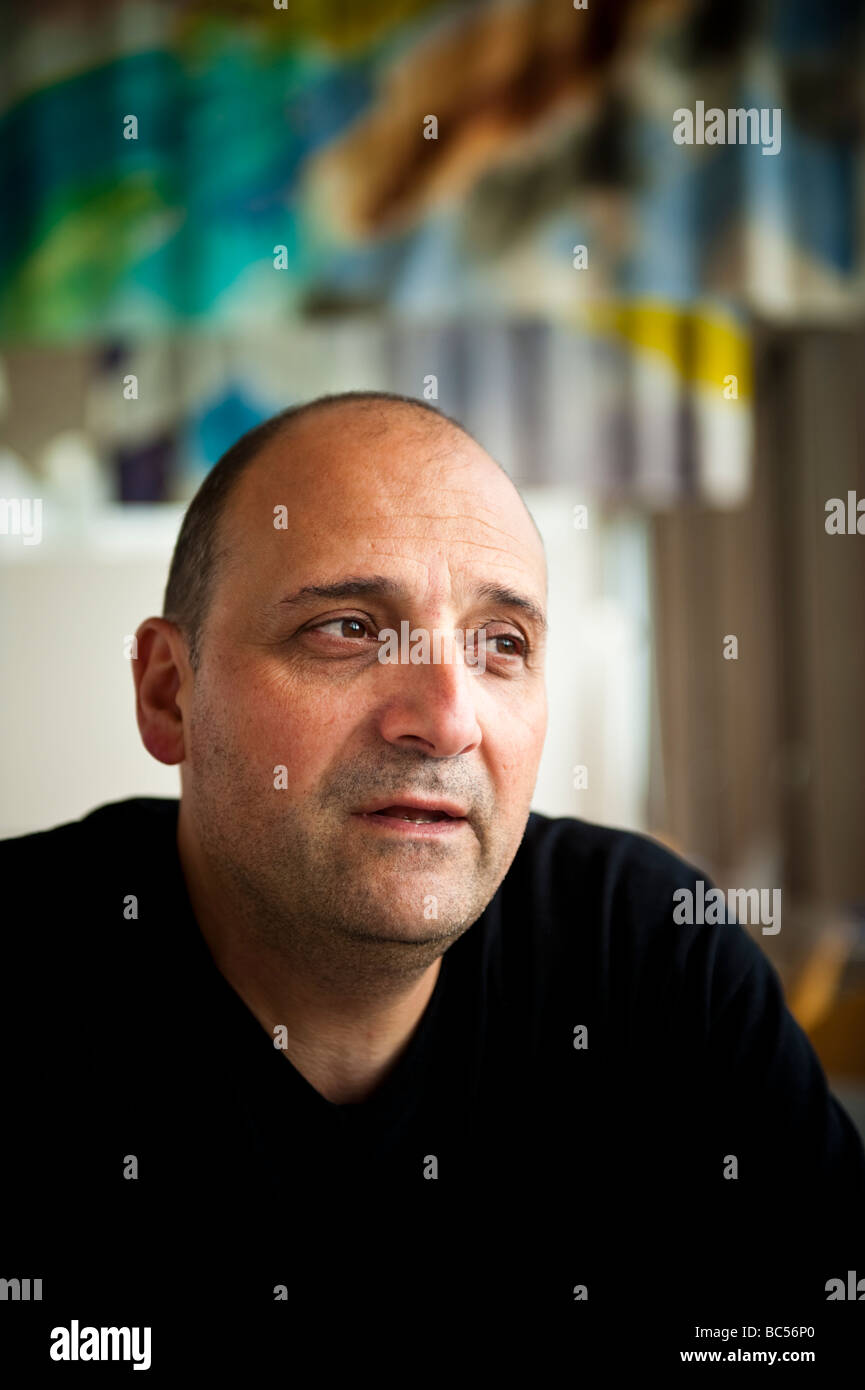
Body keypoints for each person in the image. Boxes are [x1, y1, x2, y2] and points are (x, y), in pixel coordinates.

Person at [2, 391, 863, 1369]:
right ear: (169, 691)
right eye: (348, 628)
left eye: (502, 644)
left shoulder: (651, 952)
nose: (447, 719)